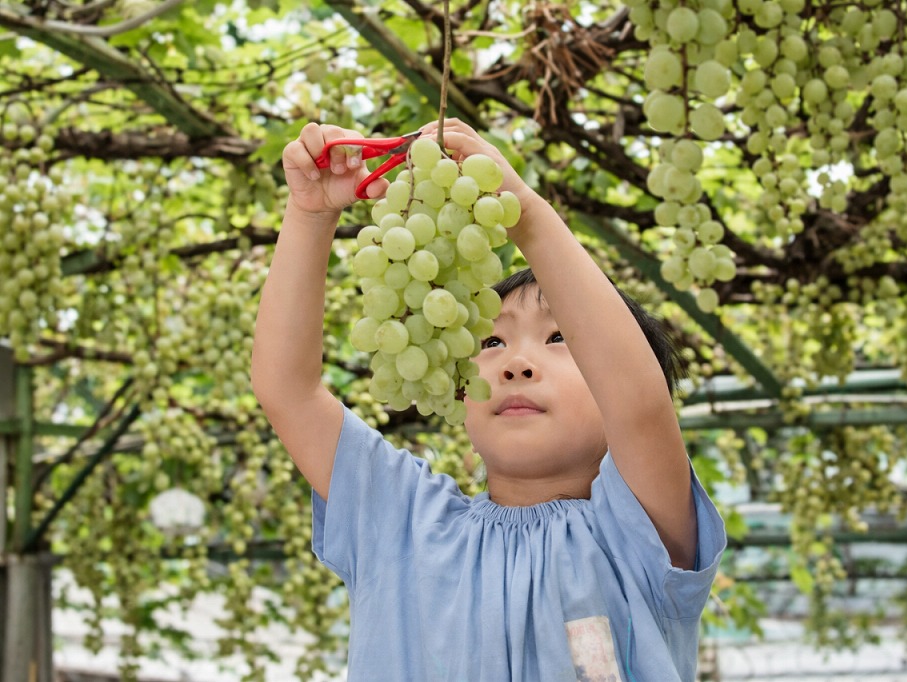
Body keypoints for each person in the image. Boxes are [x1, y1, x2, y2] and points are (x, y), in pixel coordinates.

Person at [251, 118, 727, 681]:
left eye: (560, 339)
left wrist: (524, 213)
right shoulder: (402, 520)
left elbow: (638, 403)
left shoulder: (637, 535)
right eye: (491, 340)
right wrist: (310, 215)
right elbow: (288, 389)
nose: (515, 362)